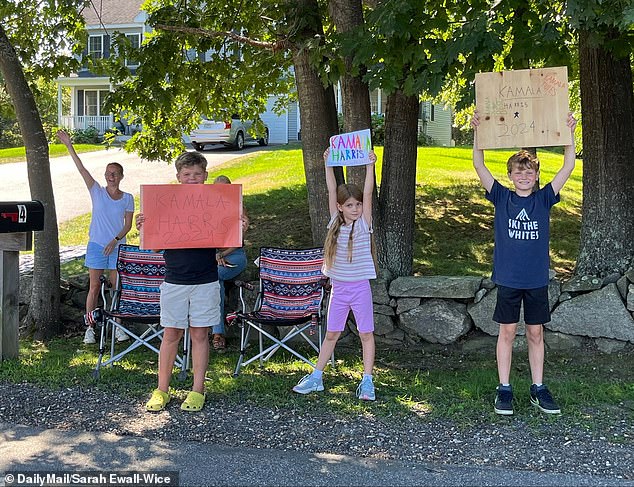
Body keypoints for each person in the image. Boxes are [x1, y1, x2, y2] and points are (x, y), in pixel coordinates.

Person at [471, 111, 577, 415]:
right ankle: (504, 389)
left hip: (535, 280)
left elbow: (568, 165)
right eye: (519, 171)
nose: (524, 176)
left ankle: (538, 388)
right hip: (508, 278)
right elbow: (479, 164)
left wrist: (569, 132)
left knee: (535, 333)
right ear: (511, 175)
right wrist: (478, 133)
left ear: (536, 175)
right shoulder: (502, 198)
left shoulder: (543, 198)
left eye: (529, 171)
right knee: (506, 332)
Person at [136, 151, 221, 413]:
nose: (192, 179)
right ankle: (162, 389)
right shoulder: (166, 205)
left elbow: (229, 239)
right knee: (171, 334)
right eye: (187, 175)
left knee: (199, 334)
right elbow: (150, 248)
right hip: (174, 280)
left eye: (197, 174)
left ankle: (198, 390)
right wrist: (143, 229)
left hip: (206, 279)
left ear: (205, 176)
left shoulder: (216, 203)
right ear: (178, 177)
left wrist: (241, 225)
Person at [293, 149, 378, 401]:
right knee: (332, 333)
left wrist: (371, 166)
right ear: (340, 207)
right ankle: (317, 377)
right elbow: (331, 190)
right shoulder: (334, 223)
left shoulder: (364, 223)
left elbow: (369, 191)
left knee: (366, 334)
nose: (355, 208)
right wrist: (328, 163)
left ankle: (367, 381)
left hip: (360, 287)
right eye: (350, 205)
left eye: (358, 204)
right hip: (339, 289)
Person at [57, 130, 134, 345]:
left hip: (116, 247)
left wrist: (115, 240)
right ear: (105, 175)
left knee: (116, 286)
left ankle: (117, 326)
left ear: (121, 176)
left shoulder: (127, 198)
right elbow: (82, 169)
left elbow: (128, 225)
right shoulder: (97, 191)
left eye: (115, 173)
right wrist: (69, 145)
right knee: (93, 287)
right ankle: (90, 327)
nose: (111, 176)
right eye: (108, 173)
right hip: (97, 246)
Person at [210, 175, 249, 351]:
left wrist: (221, 254)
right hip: (211, 257)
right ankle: (214, 331)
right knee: (213, 279)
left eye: (226, 188)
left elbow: (237, 241)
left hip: (234, 255)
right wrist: (214, 255)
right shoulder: (206, 208)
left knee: (213, 277)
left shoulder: (238, 208)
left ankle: (218, 333)